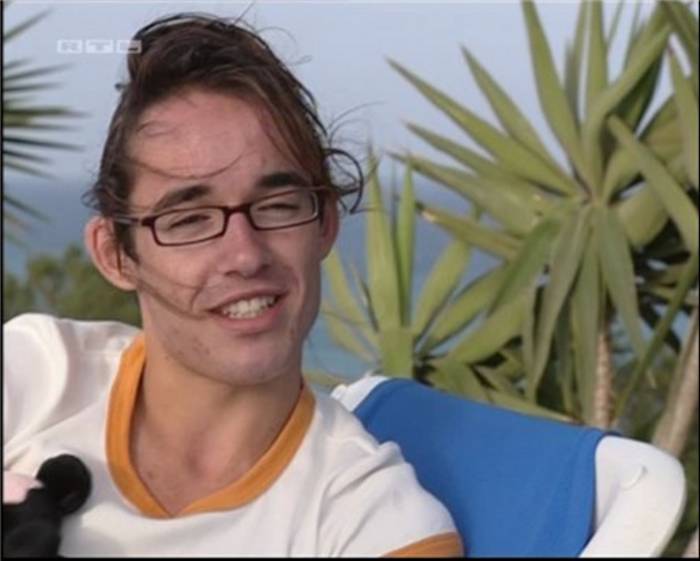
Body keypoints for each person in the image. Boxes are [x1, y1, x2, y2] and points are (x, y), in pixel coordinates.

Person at [3, 12, 463, 557]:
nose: (245, 254)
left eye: (278, 205)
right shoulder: (37, 374)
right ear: (116, 255)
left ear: (325, 225)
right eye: (189, 219)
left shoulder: (374, 521)